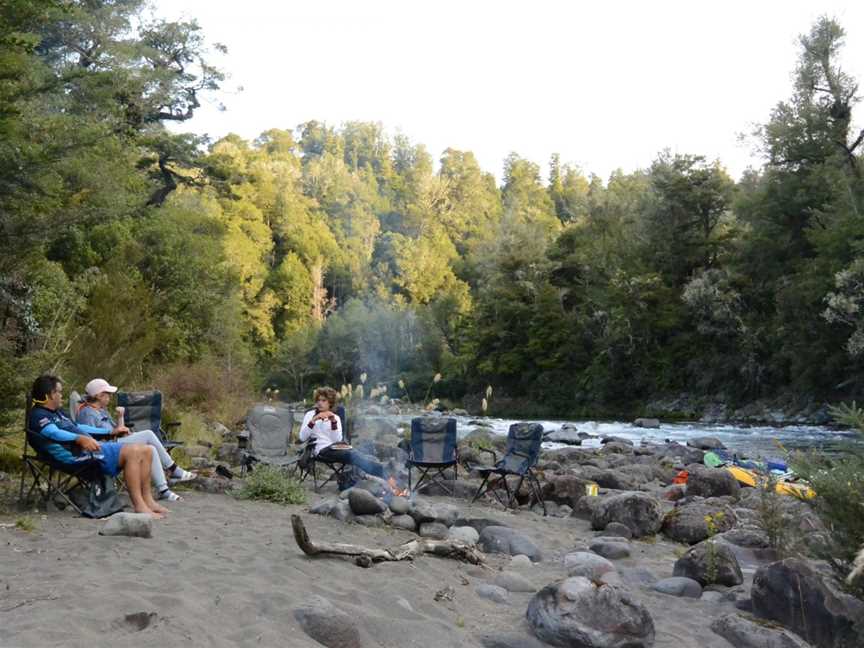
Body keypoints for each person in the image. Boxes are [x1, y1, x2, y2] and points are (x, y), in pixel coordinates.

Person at [28, 374, 168, 519]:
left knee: (147, 450)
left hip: (90, 448)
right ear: (50, 395)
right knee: (133, 452)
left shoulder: (58, 413)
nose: (62, 395)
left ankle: (148, 501)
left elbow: (80, 426)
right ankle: (139, 506)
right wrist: (79, 438)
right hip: (76, 456)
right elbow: (53, 433)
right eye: (59, 392)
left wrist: (109, 432)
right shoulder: (38, 415)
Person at [76, 377, 195, 501]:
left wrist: (120, 417)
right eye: (107, 395)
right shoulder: (87, 413)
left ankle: (163, 490)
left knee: (150, 448)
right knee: (148, 434)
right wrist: (113, 434)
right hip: (106, 448)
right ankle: (173, 468)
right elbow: (89, 437)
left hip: (116, 442)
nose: (110, 397)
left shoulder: (102, 411)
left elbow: (117, 429)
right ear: (99, 396)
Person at [300, 386, 384, 480]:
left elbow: (337, 440)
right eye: (318, 400)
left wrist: (333, 423)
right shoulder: (310, 415)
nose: (320, 403)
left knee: (356, 453)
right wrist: (313, 420)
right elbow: (302, 437)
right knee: (352, 456)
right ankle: (384, 474)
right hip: (319, 450)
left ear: (330, 403)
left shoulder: (335, 417)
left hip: (335, 448)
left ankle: (381, 473)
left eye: (324, 400)